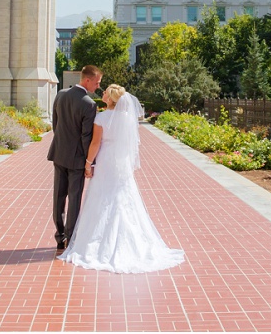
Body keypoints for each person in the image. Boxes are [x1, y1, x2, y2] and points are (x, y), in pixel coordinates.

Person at [59, 84, 185, 273]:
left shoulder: (101, 117)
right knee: (123, 196)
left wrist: (88, 163)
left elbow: (95, 143)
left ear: (110, 99)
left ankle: (97, 240)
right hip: (121, 163)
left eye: (105, 92)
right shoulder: (127, 117)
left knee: (101, 196)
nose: (102, 93)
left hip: (105, 161)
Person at [48, 64, 102, 251]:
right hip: (77, 159)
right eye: (97, 83)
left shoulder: (61, 94)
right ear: (87, 80)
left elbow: (56, 125)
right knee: (74, 198)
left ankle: (59, 236)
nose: (98, 87)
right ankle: (71, 238)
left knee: (58, 196)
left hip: (59, 153)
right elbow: (86, 136)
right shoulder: (89, 104)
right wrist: (89, 163)